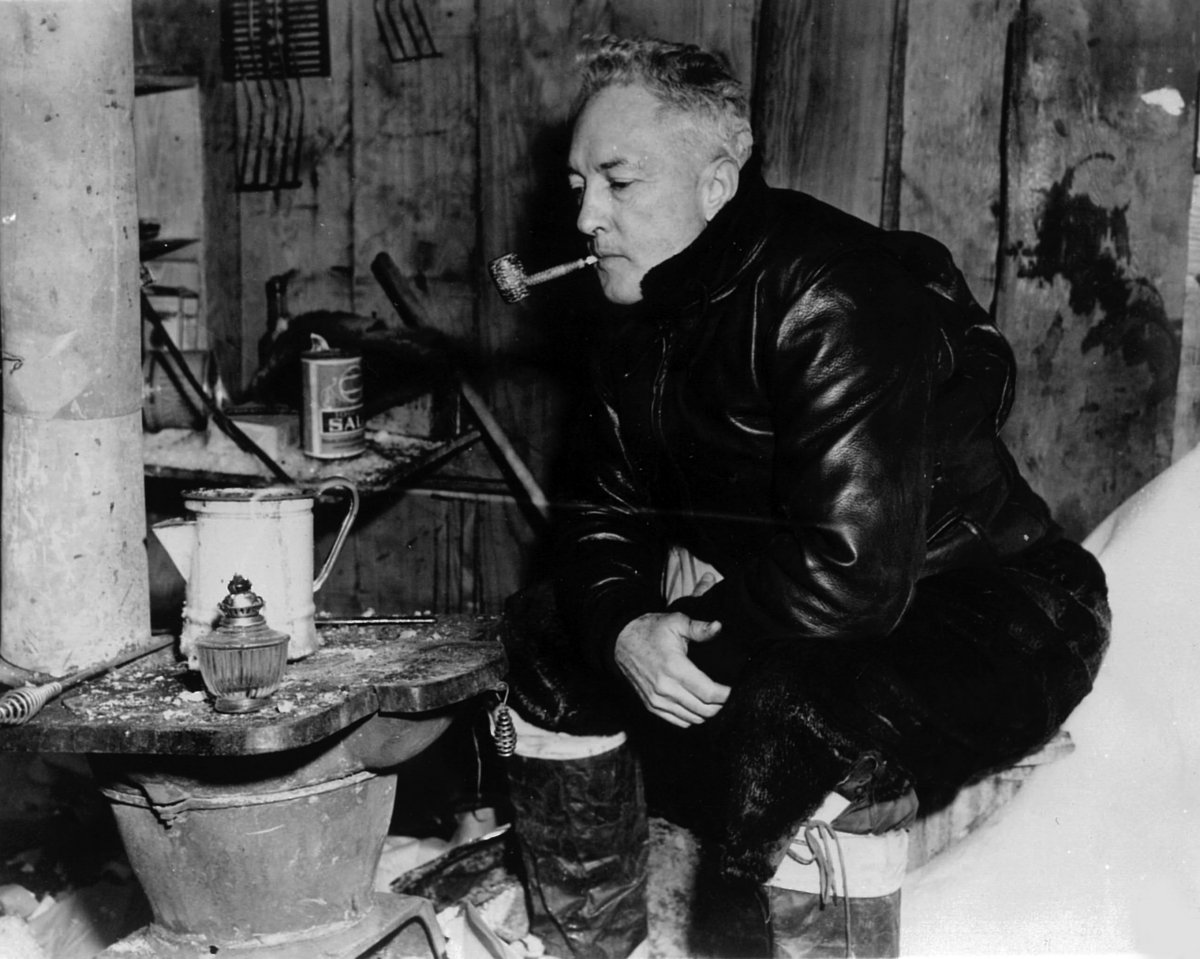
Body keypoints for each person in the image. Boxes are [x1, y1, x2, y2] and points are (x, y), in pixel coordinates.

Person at [498, 34, 1110, 957]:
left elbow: (850, 568)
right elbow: (597, 521)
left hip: (995, 607)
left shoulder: (829, 288)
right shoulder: (638, 312)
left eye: (619, 183)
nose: (587, 216)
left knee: (796, 716)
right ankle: (590, 944)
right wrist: (626, 629)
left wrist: (686, 642)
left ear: (716, 184)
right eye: (580, 185)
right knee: (548, 630)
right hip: (799, 607)